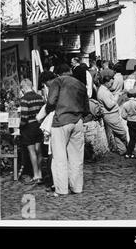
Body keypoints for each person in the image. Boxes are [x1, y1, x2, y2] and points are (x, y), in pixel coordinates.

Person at [46, 64, 89, 196]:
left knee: (59, 157)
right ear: (70, 72)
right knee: (77, 157)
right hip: (78, 122)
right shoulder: (81, 84)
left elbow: (51, 101)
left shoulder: (58, 81)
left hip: (61, 121)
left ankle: (62, 189)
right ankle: (77, 187)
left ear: (58, 74)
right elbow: (87, 109)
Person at [19, 79, 45, 185]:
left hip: (29, 127)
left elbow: (24, 117)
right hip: (39, 126)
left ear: (23, 88)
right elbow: (44, 111)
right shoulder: (40, 97)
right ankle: (41, 173)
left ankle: (36, 175)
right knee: (39, 151)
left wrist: (20, 126)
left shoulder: (24, 99)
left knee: (32, 151)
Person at [97, 74, 128, 155]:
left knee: (117, 133)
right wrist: (117, 96)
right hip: (110, 115)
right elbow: (110, 105)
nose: (112, 85)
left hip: (112, 115)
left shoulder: (105, 90)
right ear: (106, 83)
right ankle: (128, 147)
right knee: (122, 132)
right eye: (111, 83)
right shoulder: (102, 92)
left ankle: (122, 150)